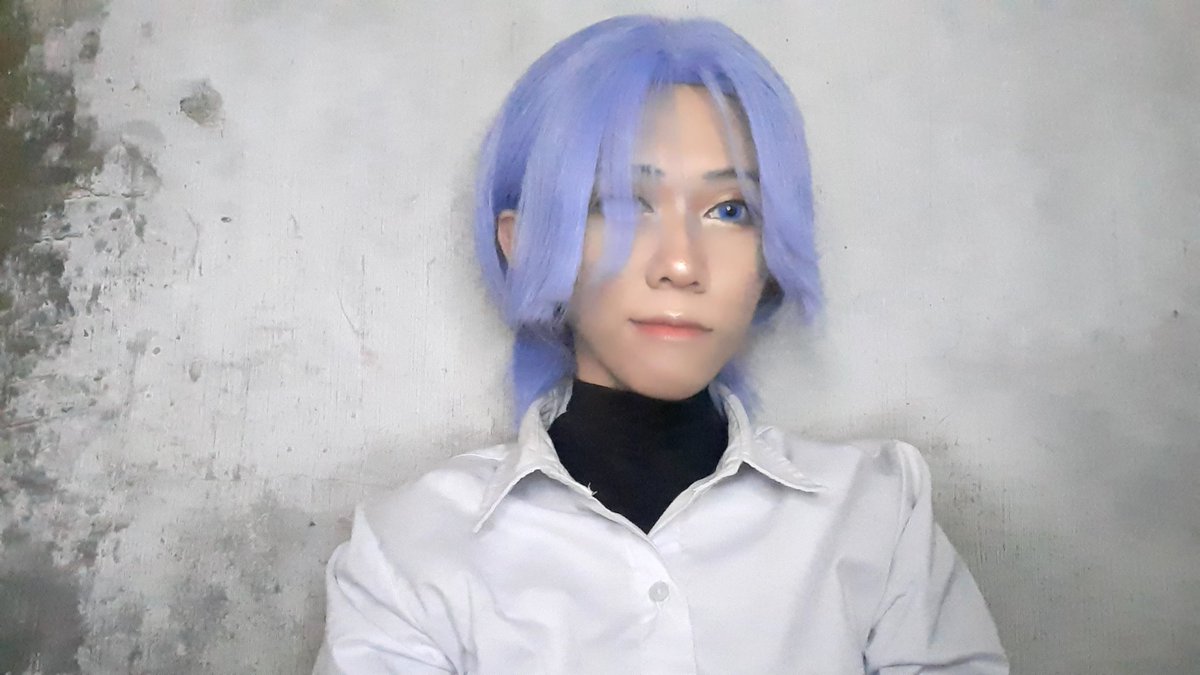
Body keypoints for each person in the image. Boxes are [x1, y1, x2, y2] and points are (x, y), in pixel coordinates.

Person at [314, 15, 1008, 674]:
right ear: (524, 244)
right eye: (622, 204)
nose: (680, 264)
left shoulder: (876, 512)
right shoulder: (412, 547)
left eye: (729, 210)